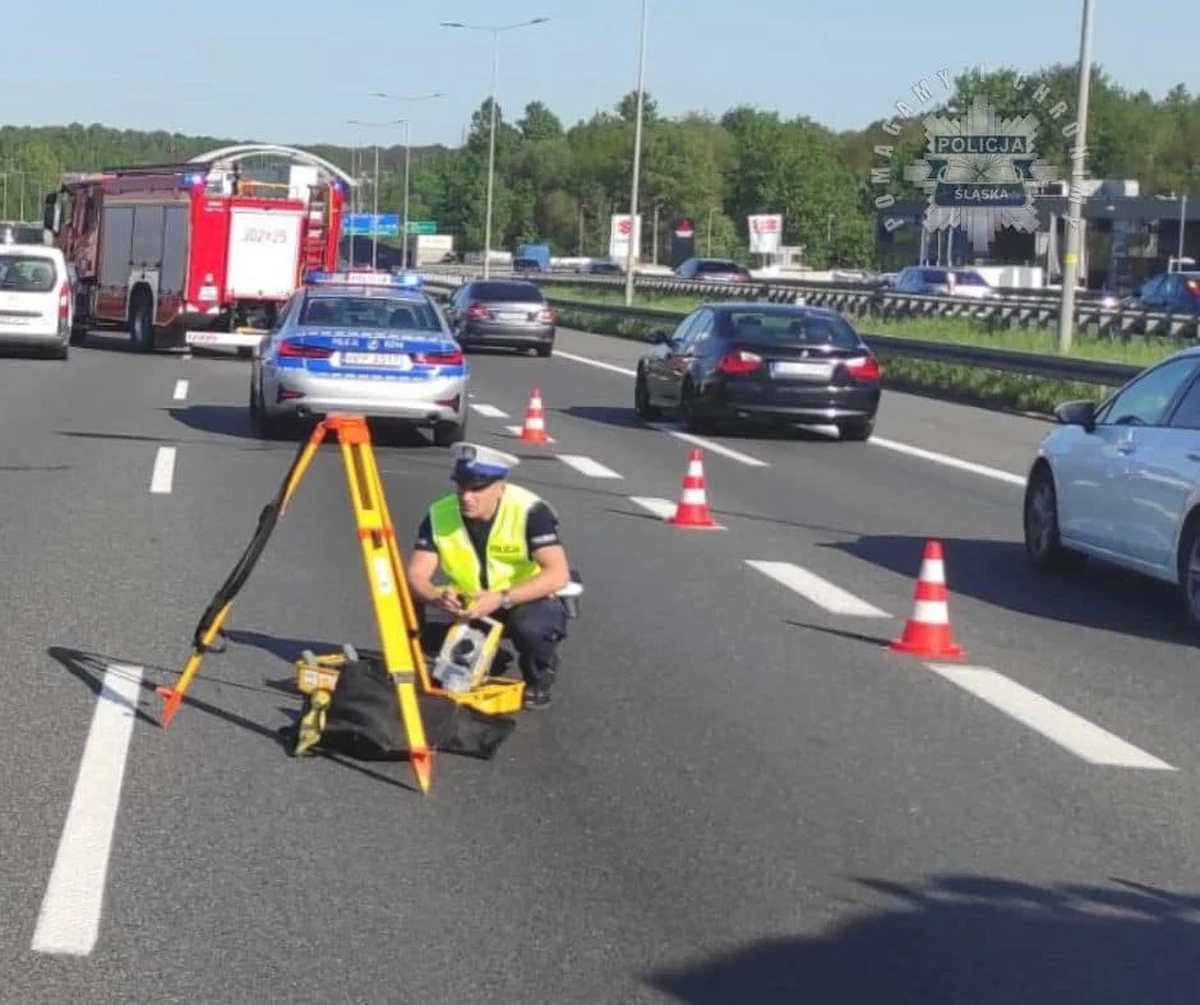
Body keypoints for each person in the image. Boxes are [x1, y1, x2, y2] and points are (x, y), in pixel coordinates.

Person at [406, 442, 572, 709]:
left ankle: (539, 677)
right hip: (468, 602)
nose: (466, 496)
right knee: (405, 606)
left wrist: (501, 598)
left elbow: (558, 573)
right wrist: (438, 597)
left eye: (477, 489)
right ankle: (481, 655)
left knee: (531, 629)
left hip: (520, 598)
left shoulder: (529, 510)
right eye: (461, 486)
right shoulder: (440, 513)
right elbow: (416, 575)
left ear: (500, 487)